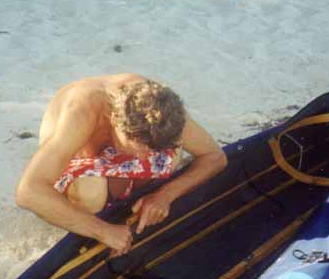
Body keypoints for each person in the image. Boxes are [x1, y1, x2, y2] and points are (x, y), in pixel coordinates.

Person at [15, 74, 227, 257]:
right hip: (80, 162)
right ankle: (99, 210)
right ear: (116, 122)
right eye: (140, 150)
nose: (145, 159)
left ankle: (126, 192)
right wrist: (102, 230)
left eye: (151, 151)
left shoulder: (162, 109)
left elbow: (215, 156)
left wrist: (165, 194)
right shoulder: (82, 112)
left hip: (121, 151)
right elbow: (28, 192)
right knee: (91, 192)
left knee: (170, 155)